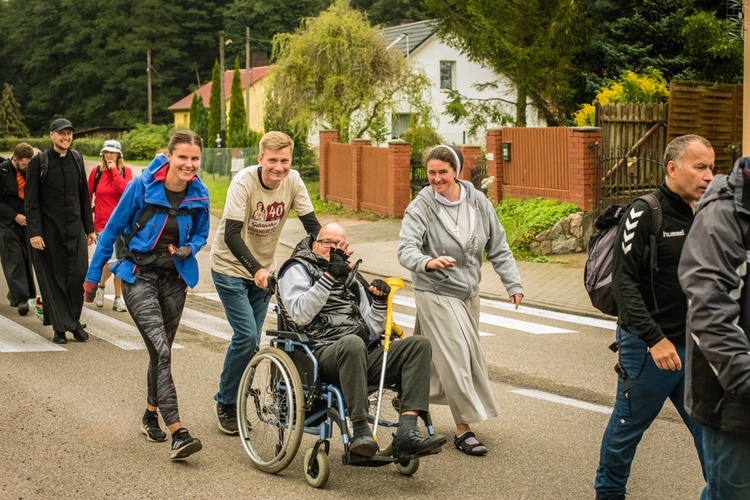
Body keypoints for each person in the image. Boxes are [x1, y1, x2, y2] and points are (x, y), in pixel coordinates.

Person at [593, 134, 714, 500]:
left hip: (695, 348)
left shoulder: (708, 212)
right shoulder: (645, 212)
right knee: (627, 427)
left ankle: (723, 492)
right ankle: (609, 493)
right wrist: (654, 339)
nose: (709, 175)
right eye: (700, 167)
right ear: (672, 168)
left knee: (711, 432)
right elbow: (624, 285)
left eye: (711, 166)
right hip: (649, 350)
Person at [84, 130, 210, 460]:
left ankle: (149, 413)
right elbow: (111, 231)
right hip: (138, 276)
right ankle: (179, 432)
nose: (189, 164)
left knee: (161, 352)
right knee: (161, 349)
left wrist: (188, 248)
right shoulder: (141, 187)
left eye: (195, 158)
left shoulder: (200, 193)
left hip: (174, 280)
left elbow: (201, 234)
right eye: (182, 157)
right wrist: (93, 277)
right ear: (169, 156)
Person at [277, 222, 446, 458]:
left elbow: (371, 331)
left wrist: (379, 304)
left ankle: (407, 431)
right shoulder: (297, 269)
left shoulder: (353, 279)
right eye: (327, 242)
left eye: (339, 244)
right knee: (351, 342)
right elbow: (299, 314)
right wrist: (329, 276)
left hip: (358, 355)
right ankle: (360, 431)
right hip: (319, 354)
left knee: (418, 345)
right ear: (315, 244)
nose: (333, 248)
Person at [397, 145, 523, 456]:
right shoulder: (420, 207)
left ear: (457, 172)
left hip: (468, 293)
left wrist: (513, 283)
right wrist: (427, 262)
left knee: (425, 355)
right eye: (431, 173)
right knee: (459, 355)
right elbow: (406, 249)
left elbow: (498, 246)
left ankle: (411, 404)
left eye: (443, 172)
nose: (437, 179)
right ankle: (463, 427)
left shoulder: (478, 202)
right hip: (434, 291)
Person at [210, 131, 321, 435]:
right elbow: (231, 233)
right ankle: (226, 402)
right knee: (246, 336)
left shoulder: (293, 181)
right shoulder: (244, 182)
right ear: (260, 159)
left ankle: (236, 396)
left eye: (284, 160)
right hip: (230, 267)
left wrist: (331, 252)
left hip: (264, 272)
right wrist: (256, 269)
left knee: (252, 341)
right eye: (272, 160)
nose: (279, 167)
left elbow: (312, 227)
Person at [679, 156, 750, 499]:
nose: (706, 175)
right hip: (732, 399)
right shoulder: (723, 214)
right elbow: (709, 308)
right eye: (698, 166)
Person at [25, 118, 95, 344]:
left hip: (75, 230)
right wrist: (35, 232)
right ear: (52, 135)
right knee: (55, 281)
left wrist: (90, 228)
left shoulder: (76, 158)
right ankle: (60, 329)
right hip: (48, 233)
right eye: (62, 133)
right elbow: (31, 201)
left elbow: (84, 196)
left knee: (77, 278)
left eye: (69, 134)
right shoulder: (39, 162)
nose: (66, 137)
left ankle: (73, 322)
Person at [89, 139, 133, 312]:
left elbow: (126, 191)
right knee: (111, 260)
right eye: (106, 152)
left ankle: (117, 298)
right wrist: (88, 226)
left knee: (121, 261)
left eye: (112, 152)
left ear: (118, 155)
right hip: (102, 224)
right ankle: (101, 287)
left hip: (122, 224)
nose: (108, 155)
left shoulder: (125, 171)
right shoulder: (96, 172)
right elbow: (87, 195)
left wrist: (114, 170)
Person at [0, 142, 36, 315]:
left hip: (25, 222)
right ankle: (22, 299)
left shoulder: (29, 171)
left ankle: (18, 295)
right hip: (6, 222)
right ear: (15, 159)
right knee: (13, 258)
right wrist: (14, 216)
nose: (26, 167)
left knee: (25, 257)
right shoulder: (3, 171)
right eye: (24, 164)